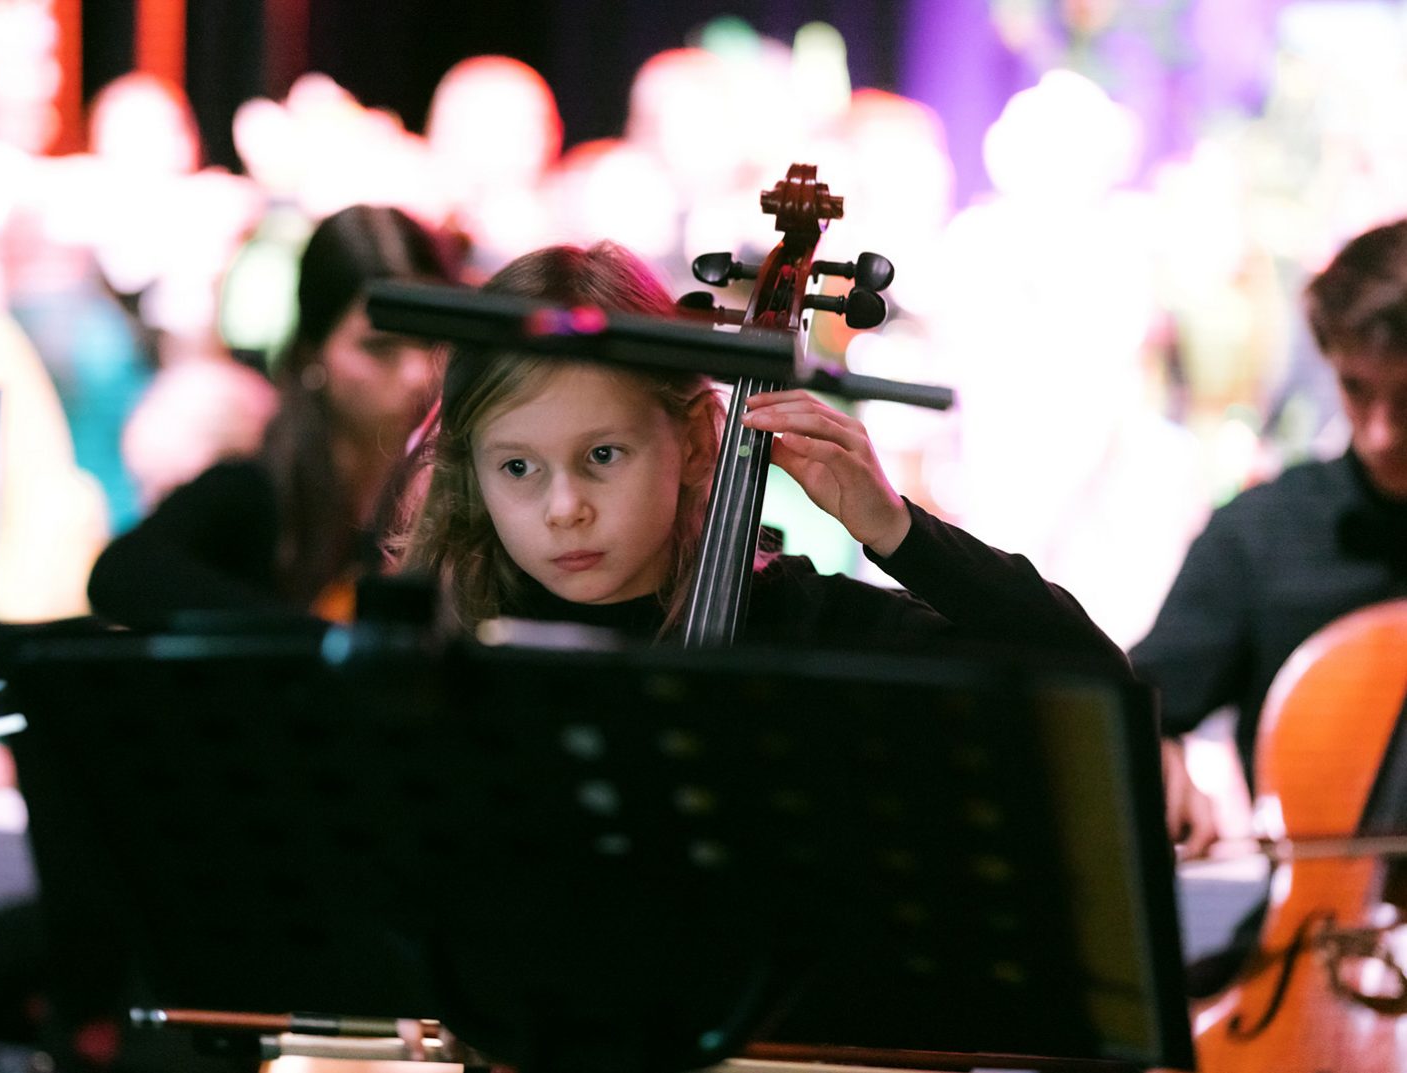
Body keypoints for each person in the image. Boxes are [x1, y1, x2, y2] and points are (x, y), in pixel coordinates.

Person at [390, 240, 1133, 678]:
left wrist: (896, 530)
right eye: (518, 468)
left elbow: (1087, 672)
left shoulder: (798, 624)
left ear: (693, 443)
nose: (564, 509)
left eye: (603, 455)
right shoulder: (437, 638)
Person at [1132, 218, 1407, 992]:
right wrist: (1155, 749)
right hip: (1315, 955)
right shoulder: (1263, 534)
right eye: (1356, 389)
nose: (1380, 434)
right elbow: (1137, 701)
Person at [87, 204, 460, 627]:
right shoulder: (255, 490)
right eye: (379, 347)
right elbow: (119, 573)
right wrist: (311, 641)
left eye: (432, 340)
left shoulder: (454, 492)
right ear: (313, 352)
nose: (417, 374)